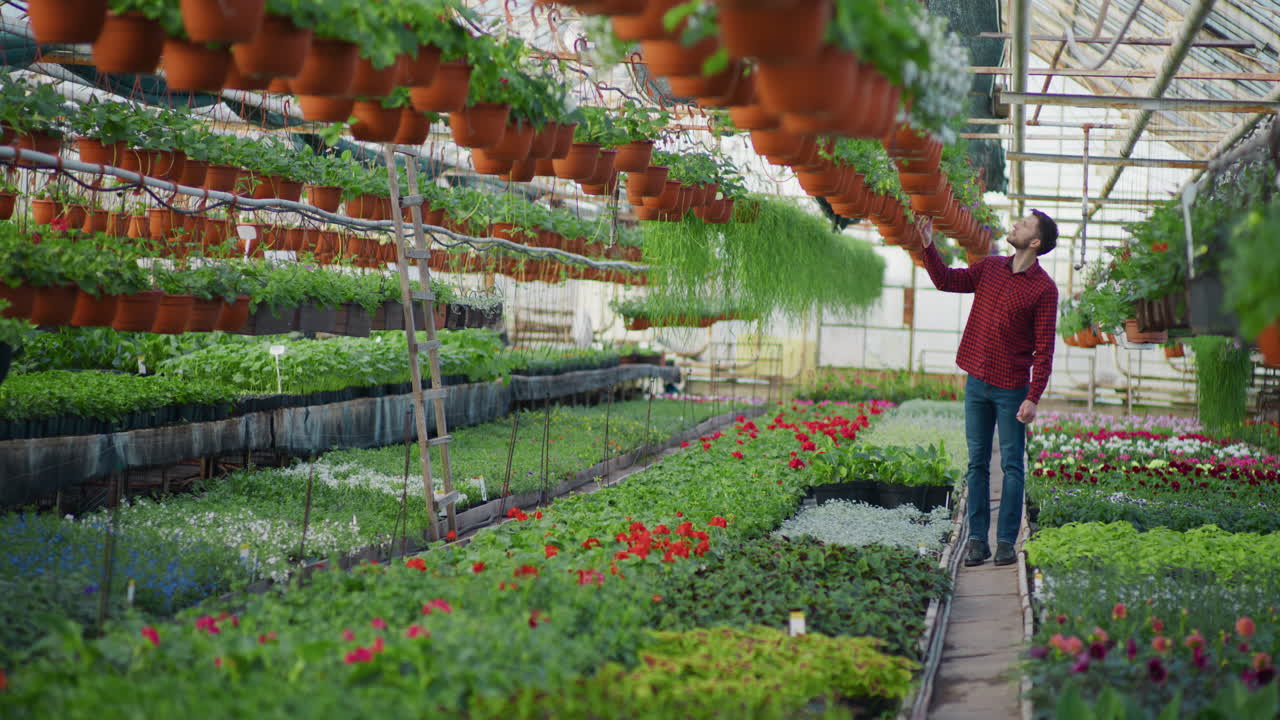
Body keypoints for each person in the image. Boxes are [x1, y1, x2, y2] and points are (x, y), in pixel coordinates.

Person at [919, 210, 1059, 567]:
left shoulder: (1044, 289)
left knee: (1013, 465)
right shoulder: (991, 268)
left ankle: (1006, 543)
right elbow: (947, 281)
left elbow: (1044, 349)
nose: (1015, 225)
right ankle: (978, 541)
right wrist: (927, 247)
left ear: (1035, 242)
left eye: (1023, 225)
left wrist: (1033, 396)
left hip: (1012, 388)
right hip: (977, 382)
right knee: (976, 464)